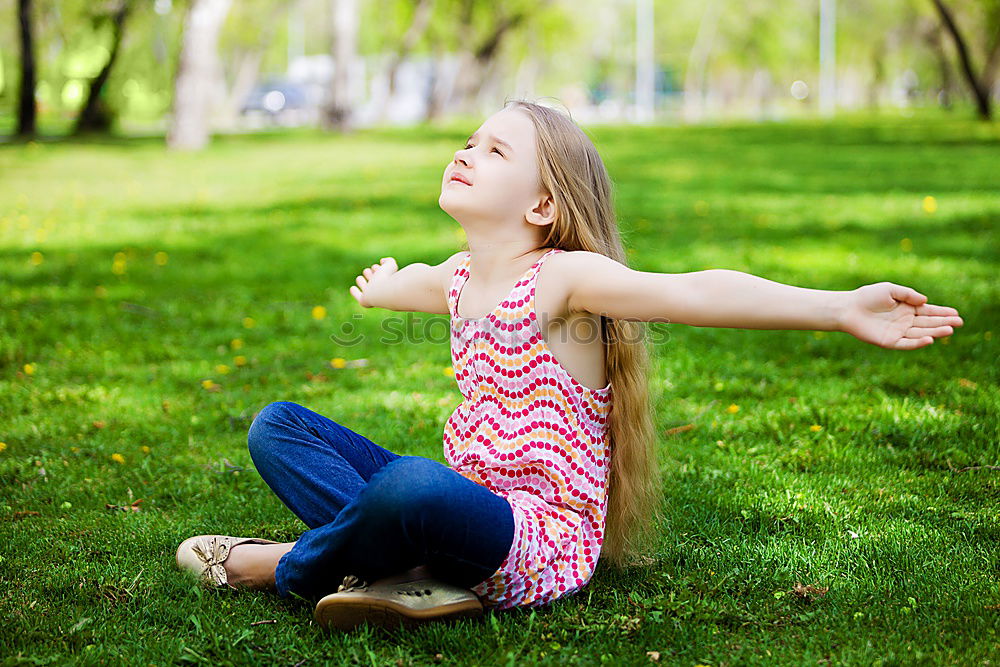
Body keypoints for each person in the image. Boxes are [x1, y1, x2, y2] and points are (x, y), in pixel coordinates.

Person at [176, 99, 964, 632]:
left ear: (543, 207)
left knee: (408, 485)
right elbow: (416, 280)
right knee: (279, 427)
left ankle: (279, 567)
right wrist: (382, 289)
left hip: (532, 536)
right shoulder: (458, 277)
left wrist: (836, 306)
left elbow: (691, 289)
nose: (466, 150)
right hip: (468, 510)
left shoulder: (561, 280)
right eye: (469, 140)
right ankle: (406, 568)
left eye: (494, 149)